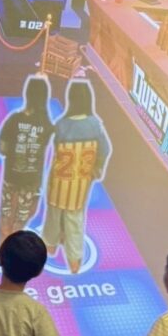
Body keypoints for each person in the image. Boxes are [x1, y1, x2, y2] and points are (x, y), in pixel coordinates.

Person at [42, 80, 111, 274]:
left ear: (70, 99)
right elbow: (105, 150)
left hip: (58, 181)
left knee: (54, 215)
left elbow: (56, 147)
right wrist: (96, 170)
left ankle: (50, 246)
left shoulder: (61, 124)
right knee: (74, 219)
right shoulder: (95, 124)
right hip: (80, 183)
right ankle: (74, 260)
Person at [0, 76, 56, 247]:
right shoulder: (47, 124)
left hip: (11, 176)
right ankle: (14, 242)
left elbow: (2, 148)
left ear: (27, 94)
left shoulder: (14, 119)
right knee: (22, 215)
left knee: (6, 212)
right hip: (32, 180)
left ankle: (1, 244)